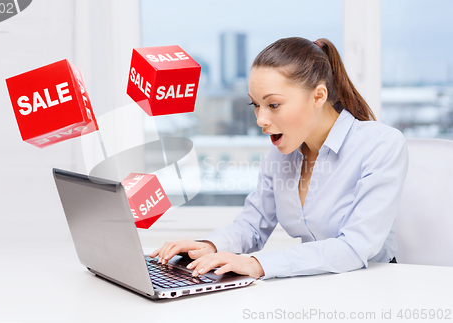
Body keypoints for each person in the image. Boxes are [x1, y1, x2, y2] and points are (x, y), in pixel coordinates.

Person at [149, 37, 409, 280]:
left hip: (374, 285)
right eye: (255, 105)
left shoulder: (380, 145)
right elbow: (253, 224)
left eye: (273, 105)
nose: (260, 120)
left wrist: (257, 264)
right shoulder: (283, 154)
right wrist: (208, 246)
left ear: (319, 96)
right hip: (317, 283)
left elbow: (354, 247)